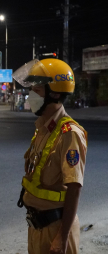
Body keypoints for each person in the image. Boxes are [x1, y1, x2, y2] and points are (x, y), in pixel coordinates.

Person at [13, 59, 88, 254]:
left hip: (57, 229)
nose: (30, 95)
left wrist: (62, 238)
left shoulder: (69, 133)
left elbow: (74, 189)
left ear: (54, 93)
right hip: (37, 227)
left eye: (36, 90)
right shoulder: (43, 128)